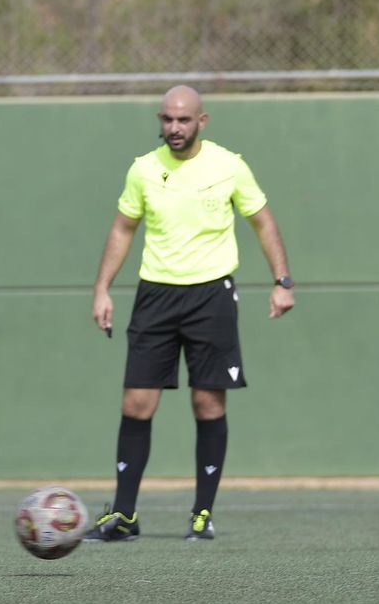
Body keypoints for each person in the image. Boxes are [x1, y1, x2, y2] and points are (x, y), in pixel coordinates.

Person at [86, 84, 294, 542]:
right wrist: (102, 288)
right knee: (136, 405)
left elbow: (263, 220)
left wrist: (282, 281)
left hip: (211, 298)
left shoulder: (229, 166)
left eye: (183, 120)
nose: (173, 128)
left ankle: (202, 513)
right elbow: (123, 228)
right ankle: (124, 515)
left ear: (202, 121)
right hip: (155, 297)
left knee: (207, 403)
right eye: (166, 119)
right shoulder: (143, 169)